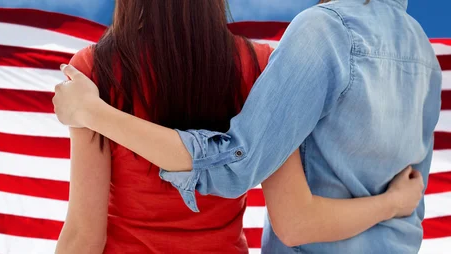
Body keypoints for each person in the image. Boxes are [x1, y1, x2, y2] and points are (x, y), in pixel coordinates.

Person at [54, 0, 433, 253]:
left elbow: (84, 235)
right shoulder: (258, 65)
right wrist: (394, 203)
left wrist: (93, 112)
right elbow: (295, 213)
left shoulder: (96, 73)